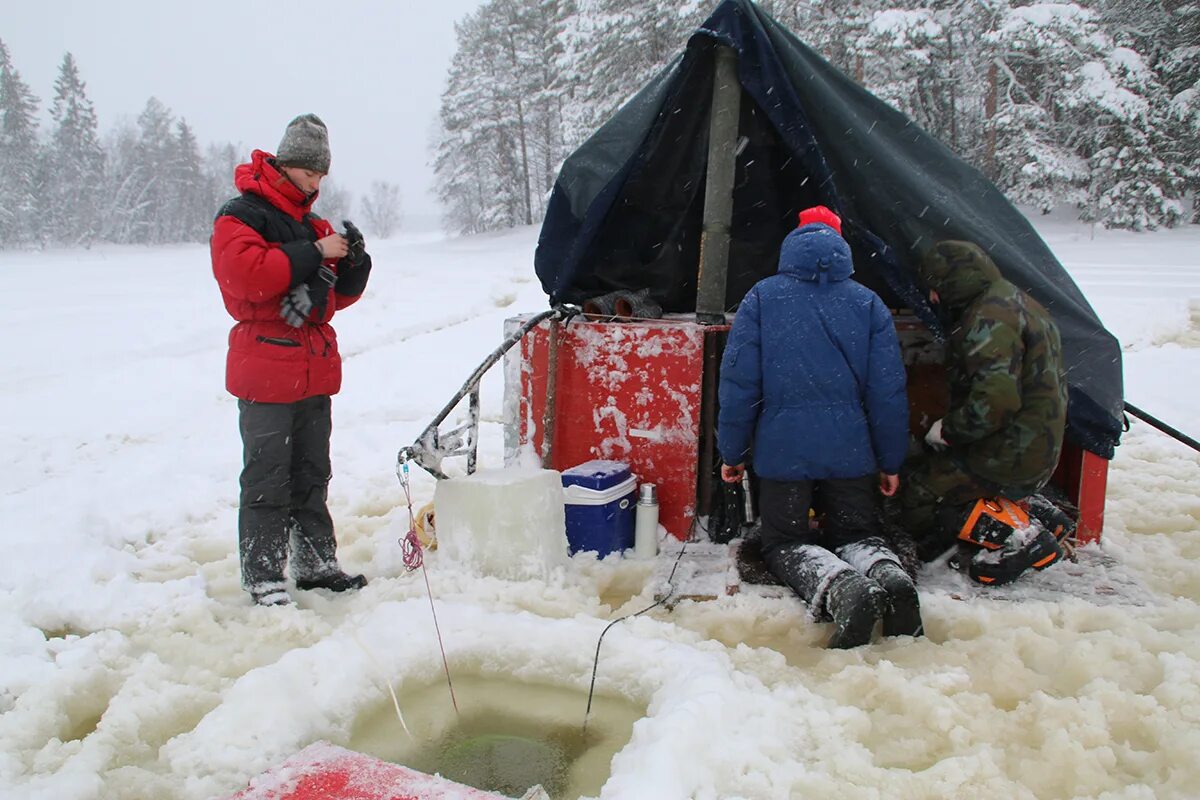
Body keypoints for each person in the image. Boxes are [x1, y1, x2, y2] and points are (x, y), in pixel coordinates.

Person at [718, 206, 922, 649]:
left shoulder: (762, 298)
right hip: (851, 449)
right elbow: (887, 393)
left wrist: (732, 452)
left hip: (782, 451)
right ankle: (889, 576)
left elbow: (738, 385)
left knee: (783, 542)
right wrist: (890, 461)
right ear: (841, 244)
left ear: (795, 241)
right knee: (858, 534)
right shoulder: (867, 303)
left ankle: (840, 586)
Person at [211, 114, 373, 606]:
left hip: (313, 369)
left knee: (311, 475)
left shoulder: (311, 222)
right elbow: (245, 276)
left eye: (322, 174)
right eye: (309, 172)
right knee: (267, 479)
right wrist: (314, 252)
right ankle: (263, 578)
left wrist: (354, 265)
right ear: (286, 164)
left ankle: (316, 568)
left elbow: (334, 298)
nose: (316, 183)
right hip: (265, 367)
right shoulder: (241, 214)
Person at [903, 240, 1068, 564]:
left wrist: (947, 430)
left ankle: (1005, 542)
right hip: (1041, 444)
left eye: (936, 287)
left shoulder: (988, 318)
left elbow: (996, 402)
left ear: (954, 281)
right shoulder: (1019, 301)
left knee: (919, 490)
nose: (933, 298)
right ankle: (1028, 516)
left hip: (1012, 451)